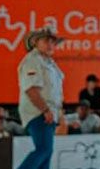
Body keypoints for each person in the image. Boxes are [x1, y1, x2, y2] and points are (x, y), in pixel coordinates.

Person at [17, 27, 65, 169]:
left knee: (46, 152)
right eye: (46, 40)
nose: (50, 44)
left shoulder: (49, 63)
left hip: (48, 112)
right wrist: (45, 110)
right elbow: (31, 90)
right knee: (44, 150)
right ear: (35, 43)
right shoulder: (32, 60)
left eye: (52, 41)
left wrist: (58, 113)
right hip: (38, 112)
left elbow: (55, 92)